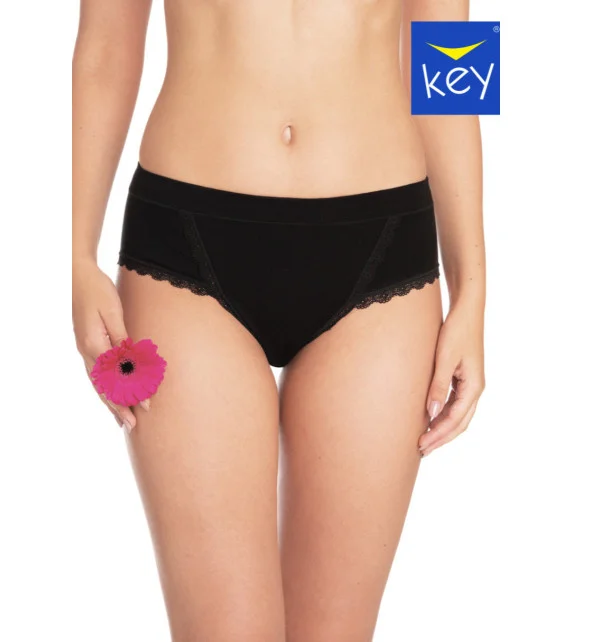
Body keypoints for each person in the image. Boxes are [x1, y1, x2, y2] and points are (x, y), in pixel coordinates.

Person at [72, 0, 486, 639]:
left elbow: (451, 50)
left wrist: (473, 288)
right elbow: (105, 46)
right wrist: (79, 254)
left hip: (384, 256)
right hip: (184, 249)